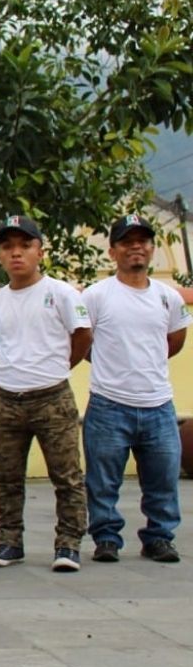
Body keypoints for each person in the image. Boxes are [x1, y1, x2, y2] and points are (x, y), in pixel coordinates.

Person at [0, 215, 91, 572]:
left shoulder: (62, 294)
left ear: (40, 252)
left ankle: (68, 544)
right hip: (8, 398)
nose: (16, 253)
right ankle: (10, 541)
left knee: (67, 475)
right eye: (8, 247)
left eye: (25, 246)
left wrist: (55, 368)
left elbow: (83, 337)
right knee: (7, 477)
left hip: (52, 396)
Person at [82, 215, 189, 564]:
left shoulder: (168, 297)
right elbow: (84, 342)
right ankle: (106, 537)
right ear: (113, 252)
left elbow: (174, 341)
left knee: (162, 480)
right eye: (127, 242)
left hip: (158, 404)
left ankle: (159, 537)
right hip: (109, 404)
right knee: (103, 481)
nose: (136, 247)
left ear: (152, 249)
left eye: (143, 241)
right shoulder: (96, 296)